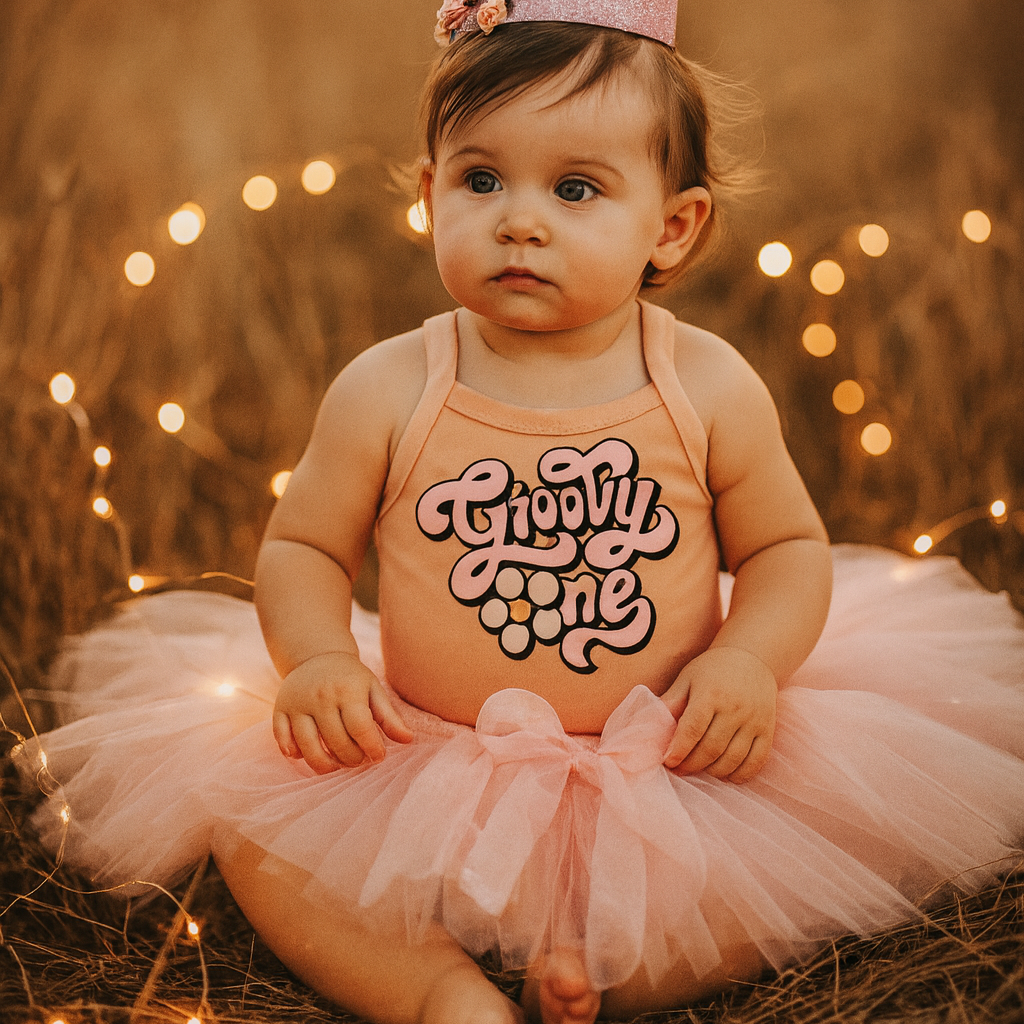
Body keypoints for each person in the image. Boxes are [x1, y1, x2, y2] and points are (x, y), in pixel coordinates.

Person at [22, 3, 1024, 1024]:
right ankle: (437, 992)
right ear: (427, 194)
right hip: (423, 749)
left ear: (670, 225)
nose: (519, 219)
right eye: (480, 179)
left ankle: (605, 974)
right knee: (264, 839)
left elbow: (783, 546)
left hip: (664, 755)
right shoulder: (390, 385)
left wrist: (747, 662)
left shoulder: (707, 384)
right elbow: (305, 545)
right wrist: (319, 657)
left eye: (576, 188)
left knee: (789, 852)